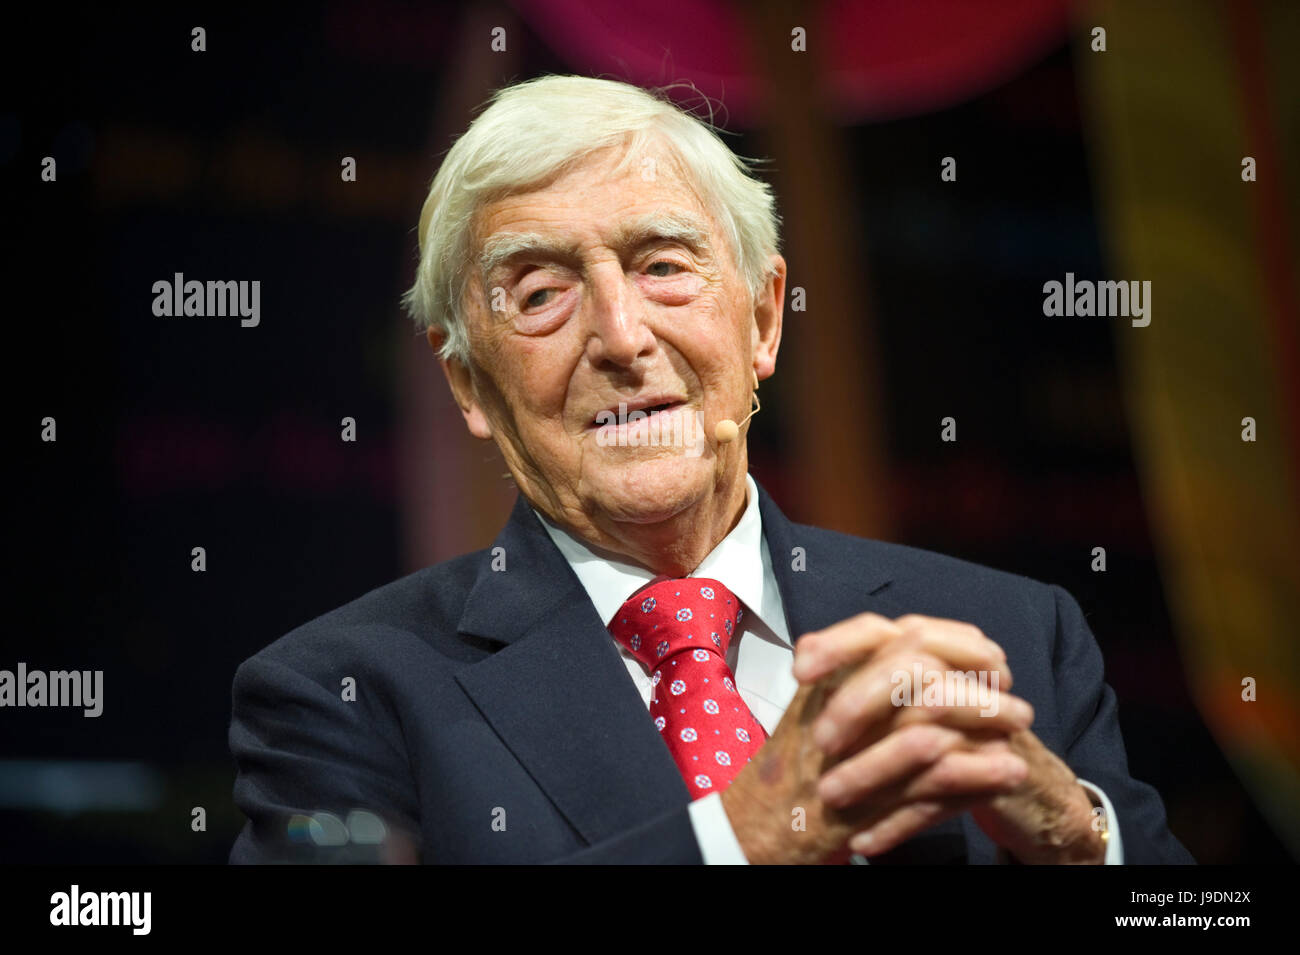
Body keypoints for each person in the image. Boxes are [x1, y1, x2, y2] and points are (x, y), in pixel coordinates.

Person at [228, 74, 1193, 864]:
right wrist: (743, 836)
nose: (620, 335)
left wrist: (1080, 841)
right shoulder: (339, 698)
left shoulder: (1016, 634)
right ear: (469, 382)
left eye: (663, 265)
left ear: (764, 317)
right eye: (541, 292)